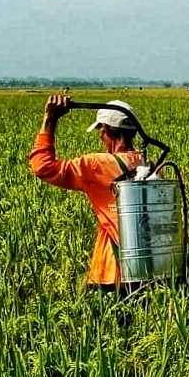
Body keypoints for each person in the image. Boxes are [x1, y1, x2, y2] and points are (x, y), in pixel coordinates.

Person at [29, 95, 142, 292]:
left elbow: (43, 167)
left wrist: (50, 119)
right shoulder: (147, 164)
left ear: (105, 130)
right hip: (151, 269)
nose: (100, 136)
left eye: (100, 131)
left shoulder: (96, 165)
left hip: (112, 272)